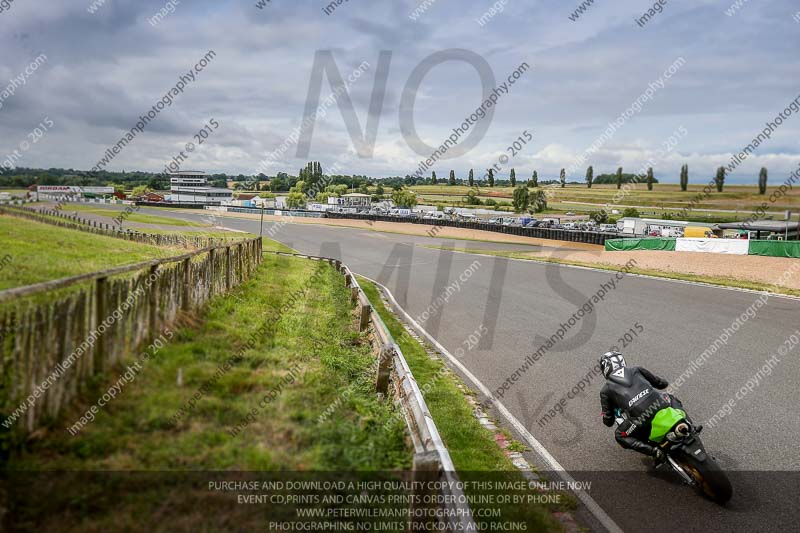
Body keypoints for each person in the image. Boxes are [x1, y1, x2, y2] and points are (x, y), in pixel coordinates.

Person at [598, 351, 685, 462]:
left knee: (620, 435)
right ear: (622, 361)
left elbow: (608, 421)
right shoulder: (637, 370)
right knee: (671, 397)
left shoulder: (605, 390)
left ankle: (654, 451)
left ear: (605, 368)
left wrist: (609, 416)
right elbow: (662, 384)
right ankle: (688, 425)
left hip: (641, 418)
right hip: (659, 404)